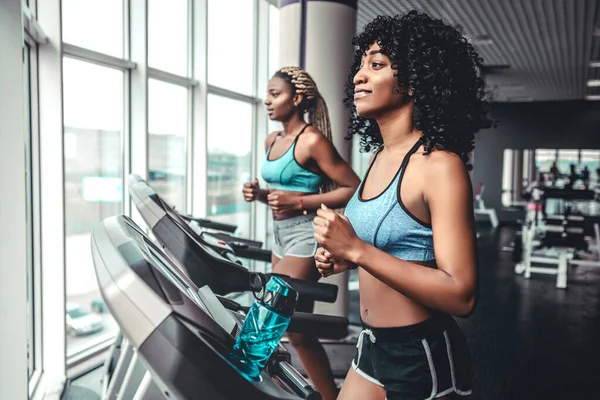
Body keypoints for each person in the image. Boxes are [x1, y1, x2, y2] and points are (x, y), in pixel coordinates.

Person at [314, 11, 492, 400]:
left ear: (414, 80)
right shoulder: (379, 157)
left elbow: (462, 294)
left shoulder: (440, 166)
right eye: (360, 65)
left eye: (376, 65)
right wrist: (342, 256)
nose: (359, 76)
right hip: (372, 345)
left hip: (420, 355)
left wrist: (358, 250)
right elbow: (393, 249)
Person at [242, 66, 360, 400]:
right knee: (299, 333)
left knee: (265, 321)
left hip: (305, 237)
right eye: (267, 94)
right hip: (278, 236)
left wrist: (301, 200)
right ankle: (330, 396)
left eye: (275, 94)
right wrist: (261, 194)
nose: (267, 100)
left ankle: (240, 387)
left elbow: (353, 187)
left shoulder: (312, 140)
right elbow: (283, 192)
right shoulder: (272, 140)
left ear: (296, 98)